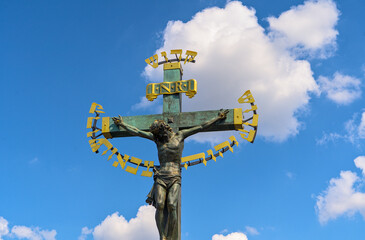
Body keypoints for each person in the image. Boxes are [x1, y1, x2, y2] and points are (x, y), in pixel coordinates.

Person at [112, 109, 228, 240]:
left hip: (174, 176)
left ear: (166, 129)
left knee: (172, 205)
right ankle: (162, 236)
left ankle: (172, 236)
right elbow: (138, 132)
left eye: (161, 133)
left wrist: (217, 118)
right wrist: (122, 124)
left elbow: (200, 127)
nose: (161, 136)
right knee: (160, 204)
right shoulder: (158, 140)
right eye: (158, 135)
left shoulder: (180, 136)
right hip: (161, 176)